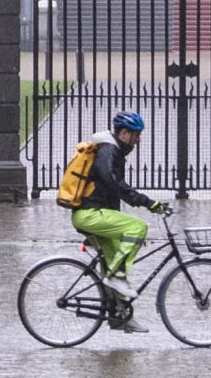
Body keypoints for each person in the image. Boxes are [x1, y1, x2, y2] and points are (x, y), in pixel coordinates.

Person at [57, 113, 162, 325]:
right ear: (124, 133)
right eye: (137, 135)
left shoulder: (112, 150)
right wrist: (146, 201)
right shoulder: (108, 151)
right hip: (89, 214)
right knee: (138, 227)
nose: (139, 140)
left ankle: (118, 315)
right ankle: (115, 277)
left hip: (94, 214)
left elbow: (110, 195)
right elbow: (114, 183)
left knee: (114, 256)